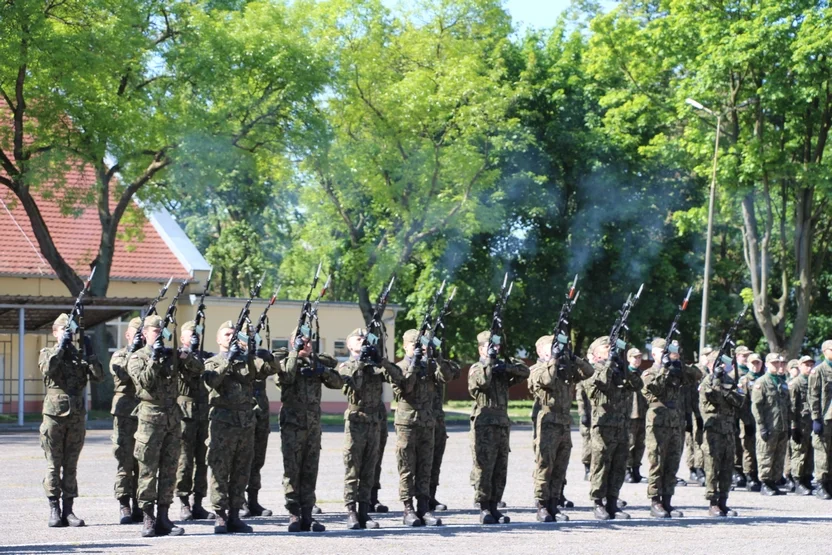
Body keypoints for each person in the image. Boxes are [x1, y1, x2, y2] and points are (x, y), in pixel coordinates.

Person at [202, 320, 276, 534]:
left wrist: (264, 355)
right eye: (226, 334)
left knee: (241, 470)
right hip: (222, 423)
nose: (230, 337)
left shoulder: (247, 362)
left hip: (245, 423)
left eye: (233, 334)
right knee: (220, 470)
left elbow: (269, 370)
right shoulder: (212, 361)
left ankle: (235, 514)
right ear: (218, 339)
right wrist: (229, 360)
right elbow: (211, 382)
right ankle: (220, 516)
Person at [127, 315, 193, 537]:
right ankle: (148, 517)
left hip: (172, 417)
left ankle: (164, 517)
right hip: (149, 417)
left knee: (169, 469)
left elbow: (197, 370)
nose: (159, 335)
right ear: (145, 334)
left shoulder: (171, 355)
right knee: (147, 469)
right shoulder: (137, 357)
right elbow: (145, 381)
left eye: (162, 332)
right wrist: (155, 358)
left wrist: (185, 354)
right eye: (155, 331)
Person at [39, 313, 104, 527]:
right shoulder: (47, 353)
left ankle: (69, 510)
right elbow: (48, 369)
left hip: (76, 416)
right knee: (53, 464)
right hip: (54, 417)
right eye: (62, 331)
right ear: (55, 332)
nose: (67, 334)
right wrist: (61, 347)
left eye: (69, 331)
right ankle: (54, 509)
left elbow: (98, 376)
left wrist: (92, 354)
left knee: (71, 465)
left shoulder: (79, 356)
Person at [277, 328, 343, 532]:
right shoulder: (285, 361)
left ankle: (307, 514)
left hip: (313, 425)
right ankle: (294, 513)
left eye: (308, 342)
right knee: (292, 470)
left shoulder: (316, 362)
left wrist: (321, 370)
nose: (306, 345)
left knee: (309, 469)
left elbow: (338, 382)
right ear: (292, 343)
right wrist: (295, 354)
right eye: (301, 342)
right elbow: (285, 377)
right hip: (292, 425)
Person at [339, 328, 404, 530]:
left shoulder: (376, 367)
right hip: (356, 421)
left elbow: (399, 378)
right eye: (358, 339)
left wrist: (381, 360)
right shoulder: (345, 366)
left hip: (375, 423)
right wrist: (361, 362)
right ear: (350, 345)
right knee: (353, 468)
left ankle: (364, 511)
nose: (363, 341)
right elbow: (352, 385)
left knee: (369, 469)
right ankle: (351, 511)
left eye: (365, 339)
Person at [529, 334, 593, 523]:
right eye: (553, 348)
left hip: (564, 421)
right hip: (547, 421)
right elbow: (547, 380)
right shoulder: (537, 369)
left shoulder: (565, 369)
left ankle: (554, 503)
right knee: (545, 464)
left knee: (560, 466)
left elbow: (588, 372)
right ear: (542, 351)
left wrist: (574, 358)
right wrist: (555, 360)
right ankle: (541, 505)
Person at [469, 330, 530, 524]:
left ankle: (495, 505)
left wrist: (505, 364)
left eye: (496, 346)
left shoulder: (501, 368)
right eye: (490, 347)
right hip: (484, 424)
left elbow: (524, 372)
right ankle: (483, 507)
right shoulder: (476, 368)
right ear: (480, 349)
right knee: (484, 467)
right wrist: (490, 363)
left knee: (500, 467)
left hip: (502, 424)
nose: (494, 349)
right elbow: (482, 382)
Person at [394, 329, 453, 526]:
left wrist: (437, 357)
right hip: (407, 424)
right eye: (415, 345)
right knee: (407, 467)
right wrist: (413, 365)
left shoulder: (430, 367)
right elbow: (405, 388)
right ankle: (408, 509)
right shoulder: (399, 367)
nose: (421, 349)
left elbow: (446, 377)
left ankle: (424, 507)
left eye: (424, 345)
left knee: (426, 467)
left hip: (428, 423)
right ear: (405, 347)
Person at [642, 338, 702, 518]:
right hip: (657, 421)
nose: (666, 355)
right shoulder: (648, 373)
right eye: (663, 352)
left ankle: (667, 500)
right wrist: (664, 369)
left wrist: (678, 363)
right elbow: (655, 389)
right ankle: (655, 501)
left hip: (675, 421)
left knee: (672, 462)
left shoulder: (676, 371)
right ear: (654, 354)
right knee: (657, 462)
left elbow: (696, 375)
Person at [586, 336, 643, 520]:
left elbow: (637, 385)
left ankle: (612, 502)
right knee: (601, 464)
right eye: (606, 348)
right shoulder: (591, 371)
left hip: (621, 425)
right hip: (603, 426)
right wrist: (610, 364)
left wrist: (623, 366)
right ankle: (598, 502)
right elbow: (599, 383)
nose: (610, 349)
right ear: (595, 354)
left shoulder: (618, 370)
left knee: (619, 465)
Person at [175, 321, 216, 521]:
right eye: (190, 335)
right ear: (182, 338)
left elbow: (206, 370)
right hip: (184, 412)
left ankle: (198, 502)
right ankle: (183, 501)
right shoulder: (177, 356)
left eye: (196, 335)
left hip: (203, 411)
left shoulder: (207, 357)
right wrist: (186, 353)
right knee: (184, 460)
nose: (194, 338)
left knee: (202, 460)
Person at [699, 350, 743, 517]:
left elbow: (739, 400)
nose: (724, 367)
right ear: (712, 365)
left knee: (727, 466)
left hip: (729, 430)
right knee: (712, 467)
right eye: (720, 364)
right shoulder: (707, 382)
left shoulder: (730, 381)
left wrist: (726, 389)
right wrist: (716, 380)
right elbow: (713, 397)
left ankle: (723, 501)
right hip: (714, 431)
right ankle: (713, 503)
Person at [109, 317, 144, 524]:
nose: (139, 337)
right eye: (135, 334)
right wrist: (133, 351)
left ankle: (141, 503)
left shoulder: (145, 356)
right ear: (128, 335)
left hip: (144, 411)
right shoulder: (119, 355)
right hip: (124, 413)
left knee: (143, 461)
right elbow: (122, 374)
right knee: (125, 460)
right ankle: (124, 503)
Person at [751, 352, 791, 496]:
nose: (777, 365)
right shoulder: (761, 382)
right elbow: (756, 406)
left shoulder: (781, 382)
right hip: (768, 425)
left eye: (778, 363)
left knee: (779, 456)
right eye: (774, 363)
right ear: (767, 364)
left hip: (781, 426)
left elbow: (787, 405)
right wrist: (761, 426)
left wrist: (789, 425)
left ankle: (774, 482)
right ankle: (765, 483)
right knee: (765, 455)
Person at [429, 359, 461, 511]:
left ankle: (430, 496)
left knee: (435, 463)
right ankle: (415, 500)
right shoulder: (412, 364)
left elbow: (454, 373)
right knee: (418, 464)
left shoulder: (439, 364)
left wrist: (439, 359)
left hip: (438, 421)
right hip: (419, 420)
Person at [737, 351, 765, 491]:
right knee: (748, 449)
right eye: (753, 363)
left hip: (762, 421)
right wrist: (747, 422)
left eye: (758, 363)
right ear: (748, 364)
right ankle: (750, 476)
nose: (755, 366)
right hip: (748, 420)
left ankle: (761, 475)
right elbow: (742, 404)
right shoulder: (744, 381)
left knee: (761, 449)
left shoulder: (764, 379)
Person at [808, 339, 832, 500]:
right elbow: (813, 396)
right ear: (825, 351)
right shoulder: (819, 371)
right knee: (822, 451)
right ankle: (821, 484)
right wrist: (816, 418)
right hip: (825, 418)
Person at [789, 355, 815, 495]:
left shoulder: (813, 381)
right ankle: (797, 481)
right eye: (806, 365)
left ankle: (807, 479)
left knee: (810, 453)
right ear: (800, 366)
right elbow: (792, 406)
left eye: (811, 365)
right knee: (799, 453)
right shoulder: (795, 383)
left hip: (811, 423)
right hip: (800, 424)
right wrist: (793, 426)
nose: (809, 367)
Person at [625, 348, 646, 484]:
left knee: (640, 443)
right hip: (630, 412)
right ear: (629, 358)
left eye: (639, 358)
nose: (637, 360)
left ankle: (636, 469)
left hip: (642, 412)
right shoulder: (626, 373)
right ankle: (627, 469)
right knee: (630, 443)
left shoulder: (642, 373)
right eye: (635, 357)